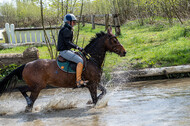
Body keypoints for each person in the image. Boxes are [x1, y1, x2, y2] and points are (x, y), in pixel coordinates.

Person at [57, 14, 88, 88]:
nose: (74, 23)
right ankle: (78, 81)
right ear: (68, 22)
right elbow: (68, 42)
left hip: (67, 50)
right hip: (64, 51)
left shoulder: (67, 29)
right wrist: (77, 47)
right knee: (80, 61)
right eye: (73, 22)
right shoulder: (66, 30)